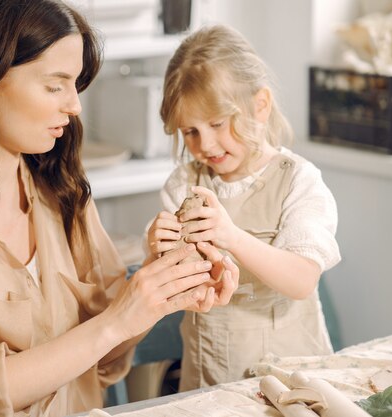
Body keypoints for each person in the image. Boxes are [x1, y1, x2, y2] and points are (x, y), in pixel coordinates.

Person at [0, 2, 240, 416]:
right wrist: (118, 320)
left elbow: (103, 359)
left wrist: (161, 289)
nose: (74, 106)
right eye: (55, 86)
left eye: (75, 85)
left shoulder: (57, 185)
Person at [146, 24, 342, 391]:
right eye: (190, 131)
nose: (205, 143)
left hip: (292, 390)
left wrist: (231, 237)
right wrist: (157, 252)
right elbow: (175, 286)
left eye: (218, 124)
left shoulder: (298, 180)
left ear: (260, 105)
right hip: (208, 384)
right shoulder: (182, 185)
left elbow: (301, 280)